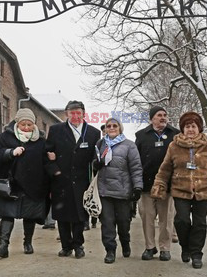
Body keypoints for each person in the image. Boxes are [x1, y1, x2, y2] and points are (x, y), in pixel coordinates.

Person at [151, 111, 207, 269]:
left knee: (200, 223)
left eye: (193, 126)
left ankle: (196, 254)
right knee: (182, 220)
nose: (191, 129)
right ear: (183, 129)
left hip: (204, 190)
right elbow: (165, 169)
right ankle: (185, 246)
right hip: (181, 190)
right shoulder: (174, 146)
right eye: (187, 126)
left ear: (199, 128)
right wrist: (159, 185)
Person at [0, 108, 50, 258]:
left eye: (30, 125)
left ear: (34, 125)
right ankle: (3, 245)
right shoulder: (5, 137)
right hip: (10, 185)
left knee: (30, 215)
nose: (27, 128)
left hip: (33, 184)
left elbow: (46, 162)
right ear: (17, 123)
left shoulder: (41, 141)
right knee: (6, 214)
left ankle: (27, 242)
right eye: (23, 124)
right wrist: (10, 153)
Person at [46, 100, 100, 259]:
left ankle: (78, 245)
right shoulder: (56, 130)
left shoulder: (93, 133)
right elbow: (47, 154)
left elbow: (95, 157)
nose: (75, 116)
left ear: (84, 114)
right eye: (72, 113)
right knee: (62, 216)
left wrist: (98, 164)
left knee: (79, 215)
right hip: (60, 180)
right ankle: (65, 246)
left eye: (78, 113)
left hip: (82, 181)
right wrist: (54, 171)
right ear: (66, 114)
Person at [92, 118, 143, 264]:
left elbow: (136, 168)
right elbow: (93, 164)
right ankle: (110, 250)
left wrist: (137, 187)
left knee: (123, 222)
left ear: (120, 128)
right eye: (109, 126)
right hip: (104, 190)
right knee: (107, 222)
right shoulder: (100, 144)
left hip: (123, 191)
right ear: (105, 129)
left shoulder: (129, 146)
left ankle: (125, 242)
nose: (112, 128)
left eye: (115, 125)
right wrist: (96, 164)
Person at [135, 106, 180, 261]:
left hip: (167, 185)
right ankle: (149, 247)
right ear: (152, 118)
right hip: (147, 184)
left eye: (164, 115)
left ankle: (165, 248)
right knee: (147, 217)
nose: (162, 117)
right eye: (159, 115)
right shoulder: (141, 136)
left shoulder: (175, 134)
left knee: (166, 219)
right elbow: (136, 161)